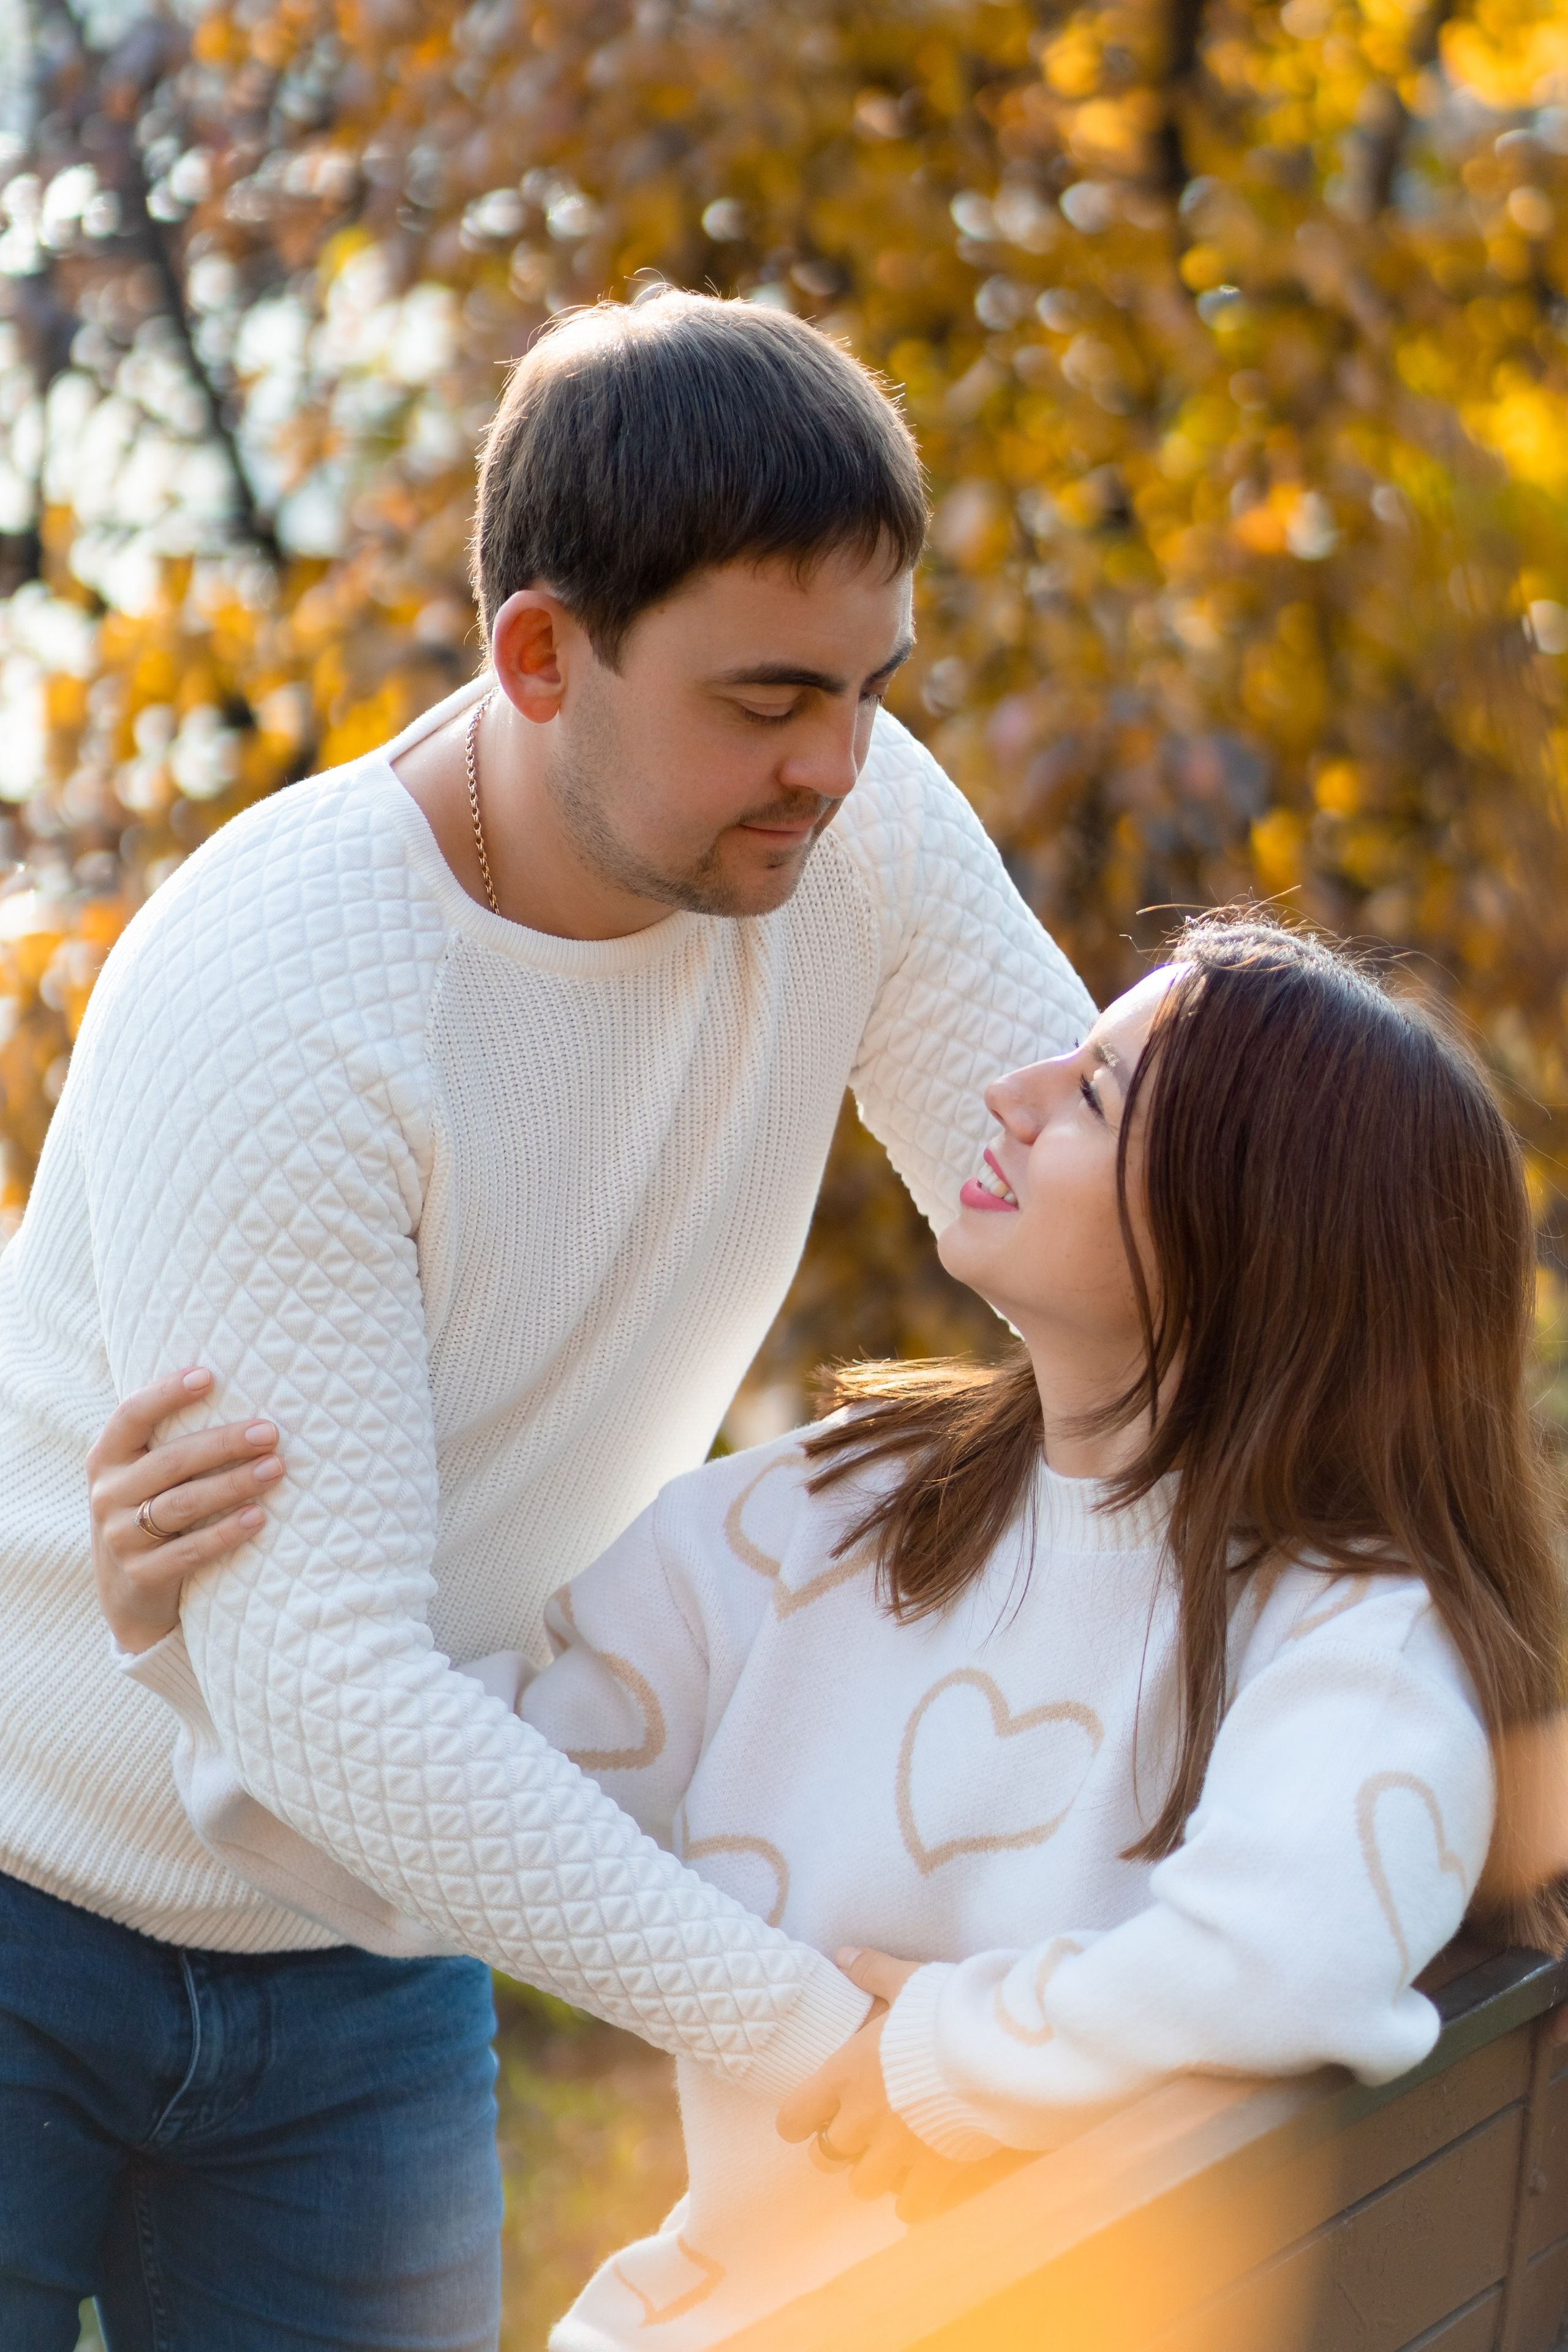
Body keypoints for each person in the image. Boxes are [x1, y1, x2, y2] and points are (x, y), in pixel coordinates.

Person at [0, 290, 1097, 2351]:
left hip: (364, 1951)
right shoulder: (290, 995)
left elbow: (1133, 1245)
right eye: (769, 698)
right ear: (536, 653)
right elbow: (320, 1686)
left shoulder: (855, 834)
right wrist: (800, 2028)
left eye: (873, 688)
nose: (835, 766)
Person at [101, 915, 1568, 2346]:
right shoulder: (827, 1510)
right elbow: (477, 1822)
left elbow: (1284, 1959)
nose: (1009, 1090)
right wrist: (213, 1636)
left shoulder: (1357, 1632)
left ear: (1256, 1235)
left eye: (1091, 1094)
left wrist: (928, 2058)